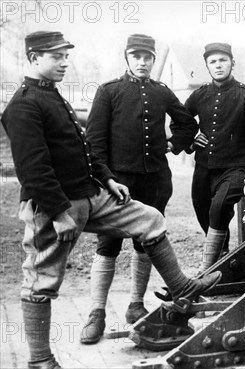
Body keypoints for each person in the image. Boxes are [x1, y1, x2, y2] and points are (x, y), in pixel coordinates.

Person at [1, 31, 221, 369]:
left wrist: (107, 180)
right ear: (33, 59)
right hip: (54, 205)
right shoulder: (24, 104)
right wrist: (59, 213)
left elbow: (84, 149)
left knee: (149, 219)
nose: (64, 62)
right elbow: (33, 170)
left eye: (65, 56)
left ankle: (182, 287)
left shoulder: (51, 95)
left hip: (91, 195)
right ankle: (40, 360)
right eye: (56, 57)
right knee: (40, 281)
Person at [81, 34, 199, 343]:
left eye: (148, 56)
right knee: (107, 245)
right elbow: (93, 143)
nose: (143, 61)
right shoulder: (109, 91)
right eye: (137, 56)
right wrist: (106, 179)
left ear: (153, 59)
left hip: (156, 181)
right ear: (127, 58)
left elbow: (187, 124)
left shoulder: (162, 92)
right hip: (118, 182)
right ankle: (97, 313)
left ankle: (136, 304)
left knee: (146, 242)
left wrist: (173, 144)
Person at [184, 43, 245, 274]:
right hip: (204, 168)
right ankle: (221, 262)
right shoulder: (199, 95)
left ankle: (205, 270)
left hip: (235, 169)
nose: (218, 65)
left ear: (233, 63)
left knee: (220, 206)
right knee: (203, 209)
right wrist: (191, 139)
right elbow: (180, 120)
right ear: (207, 66)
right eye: (213, 62)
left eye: (223, 60)